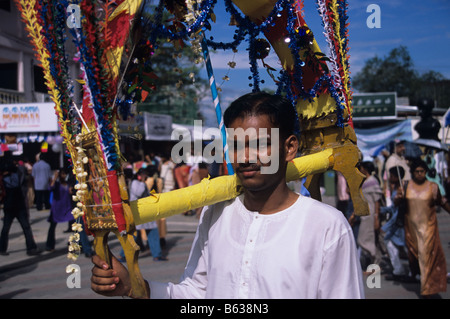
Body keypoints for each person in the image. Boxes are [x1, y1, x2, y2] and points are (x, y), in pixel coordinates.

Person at [90, 92, 364, 299]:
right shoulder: (216, 213)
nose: (245, 158)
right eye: (236, 146)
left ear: (289, 147)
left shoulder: (327, 225)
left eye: (259, 145)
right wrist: (134, 287)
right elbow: (195, 294)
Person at [403, 159, 450, 297]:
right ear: (413, 173)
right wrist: (398, 197)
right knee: (415, 258)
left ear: (426, 172)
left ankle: (427, 289)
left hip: (428, 229)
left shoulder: (433, 187)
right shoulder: (406, 186)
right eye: (417, 171)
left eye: (422, 171)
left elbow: (442, 202)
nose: (419, 174)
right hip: (411, 231)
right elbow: (399, 204)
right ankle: (424, 282)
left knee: (427, 258)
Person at [123, 168, 167, 262]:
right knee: (133, 235)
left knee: (153, 232)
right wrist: (143, 182)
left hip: (145, 211)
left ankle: (157, 254)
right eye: (143, 175)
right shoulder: (135, 182)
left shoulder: (140, 183)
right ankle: (123, 255)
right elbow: (138, 193)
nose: (145, 177)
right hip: (137, 211)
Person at [0, 157, 40, 256]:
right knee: (26, 227)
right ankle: (31, 248)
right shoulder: (17, 175)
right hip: (19, 205)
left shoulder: (3, 179)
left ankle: (2, 248)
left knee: (6, 228)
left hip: (9, 206)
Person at [351, 161, 384, 271]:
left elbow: (377, 201)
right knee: (367, 240)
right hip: (365, 216)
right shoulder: (365, 182)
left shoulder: (372, 182)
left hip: (370, 216)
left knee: (364, 240)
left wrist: (376, 218)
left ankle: (375, 261)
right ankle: (375, 262)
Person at [380, 166, 410, 282]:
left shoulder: (402, 189)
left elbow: (398, 212)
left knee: (408, 247)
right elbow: (393, 208)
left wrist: (386, 227)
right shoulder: (396, 188)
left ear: (397, 177)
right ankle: (399, 270)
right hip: (396, 224)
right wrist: (383, 210)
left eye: (392, 176)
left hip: (400, 224)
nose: (390, 178)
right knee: (391, 243)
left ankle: (411, 272)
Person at [45, 169, 76, 251]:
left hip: (67, 207)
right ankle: (49, 245)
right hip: (57, 208)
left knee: (75, 225)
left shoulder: (68, 184)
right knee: (52, 226)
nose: (64, 176)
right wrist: (54, 178)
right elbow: (50, 188)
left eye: (65, 174)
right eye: (62, 174)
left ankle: (75, 243)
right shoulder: (57, 184)